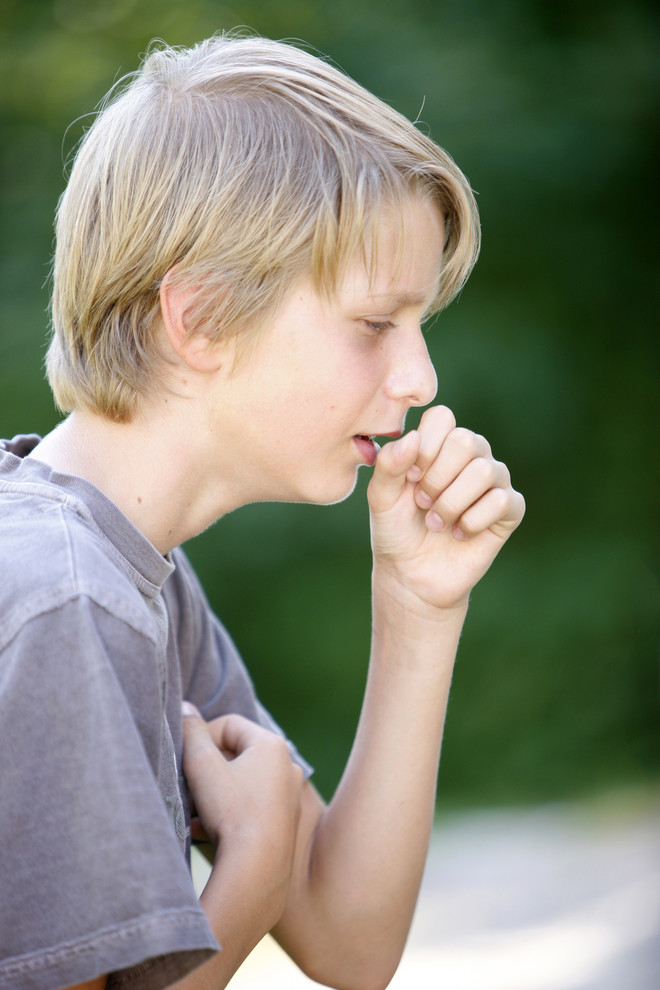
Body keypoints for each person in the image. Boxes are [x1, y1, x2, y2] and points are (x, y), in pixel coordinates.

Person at [0, 32, 525, 990]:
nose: (420, 376)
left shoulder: (136, 575)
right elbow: (289, 883)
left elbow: (347, 938)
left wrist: (419, 604)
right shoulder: (65, 600)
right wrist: (253, 861)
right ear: (197, 319)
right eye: (375, 323)